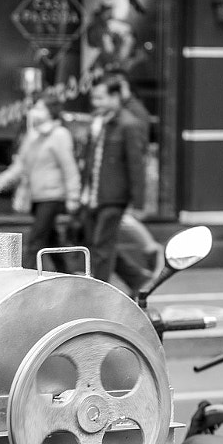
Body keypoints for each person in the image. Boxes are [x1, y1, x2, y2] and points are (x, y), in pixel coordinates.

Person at [77, 78, 151, 295]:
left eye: (100, 97)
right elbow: (90, 161)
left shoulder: (129, 124)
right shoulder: (99, 122)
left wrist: (138, 202)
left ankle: (99, 294)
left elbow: (136, 165)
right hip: (93, 195)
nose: (95, 102)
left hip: (114, 197)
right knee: (97, 244)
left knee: (101, 245)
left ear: (115, 97)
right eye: (93, 97)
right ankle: (137, 278)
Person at [0, 98, 81, 272]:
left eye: (40, 108)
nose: (34, 112)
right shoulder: (33, 135)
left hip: (52, 196)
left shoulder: (59, 135)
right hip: (37, 196)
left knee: (36, 239)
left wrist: (73, 196)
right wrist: (2, 181)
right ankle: (68, 275)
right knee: (50, 240)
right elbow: (22, 164)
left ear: (51, 113)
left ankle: (25, 276)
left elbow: (69, 168)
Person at [105, 75, 163, 283]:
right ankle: (137, 274)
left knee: (120, 221)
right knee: (108, 234)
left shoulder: (133, 113)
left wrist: (135, 194)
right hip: (117, 177)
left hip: (122, 177)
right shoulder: (121, 112)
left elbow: (136, 154)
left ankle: (150, 250)